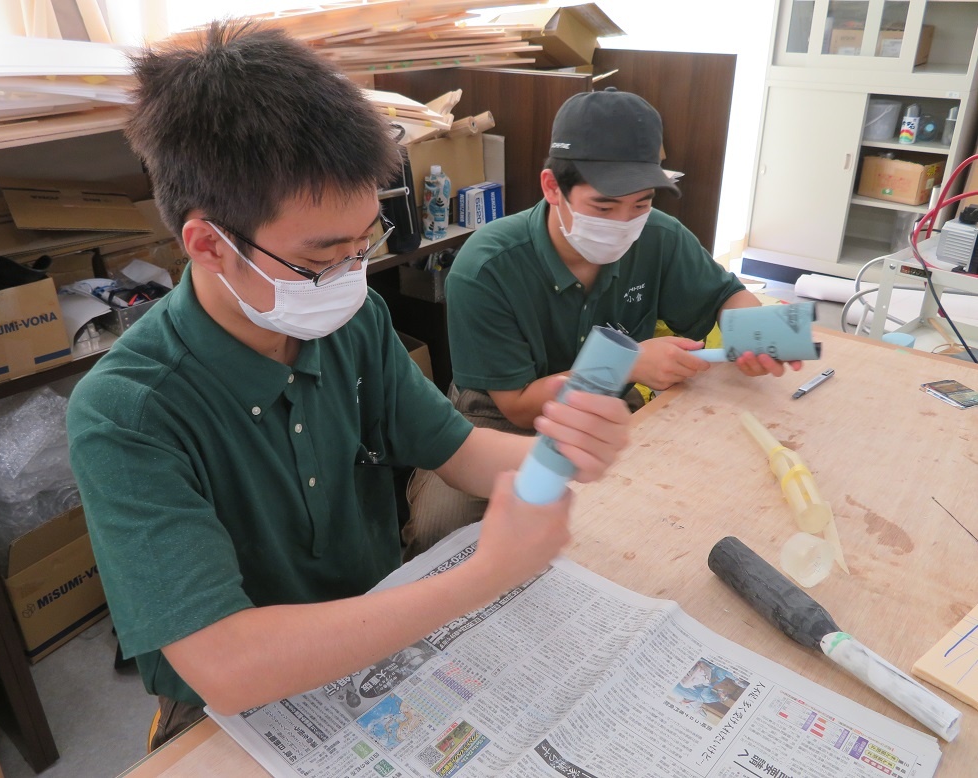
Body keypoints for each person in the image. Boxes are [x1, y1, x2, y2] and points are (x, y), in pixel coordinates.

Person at [65, 20, 632, 751]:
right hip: (233, 714)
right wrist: (481, 577)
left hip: (381, 635)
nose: (351, 276)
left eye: (365, 242)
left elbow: (459, 452)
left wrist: (563, 453)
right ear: (209, 244)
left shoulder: (351, 321)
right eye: (321, 259)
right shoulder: (127, 413)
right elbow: (225, 666)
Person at [403, 87, 801, 560]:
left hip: (609, 410)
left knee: (654, 520)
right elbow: (519, 407)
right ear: (553, 187)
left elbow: (724, 295)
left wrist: (759, 334)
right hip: (497, 417)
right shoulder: (486, 267)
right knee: (441, 532)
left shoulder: (659, 237)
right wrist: (627, 364)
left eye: (641, 204)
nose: (624, 223)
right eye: (604, 208)